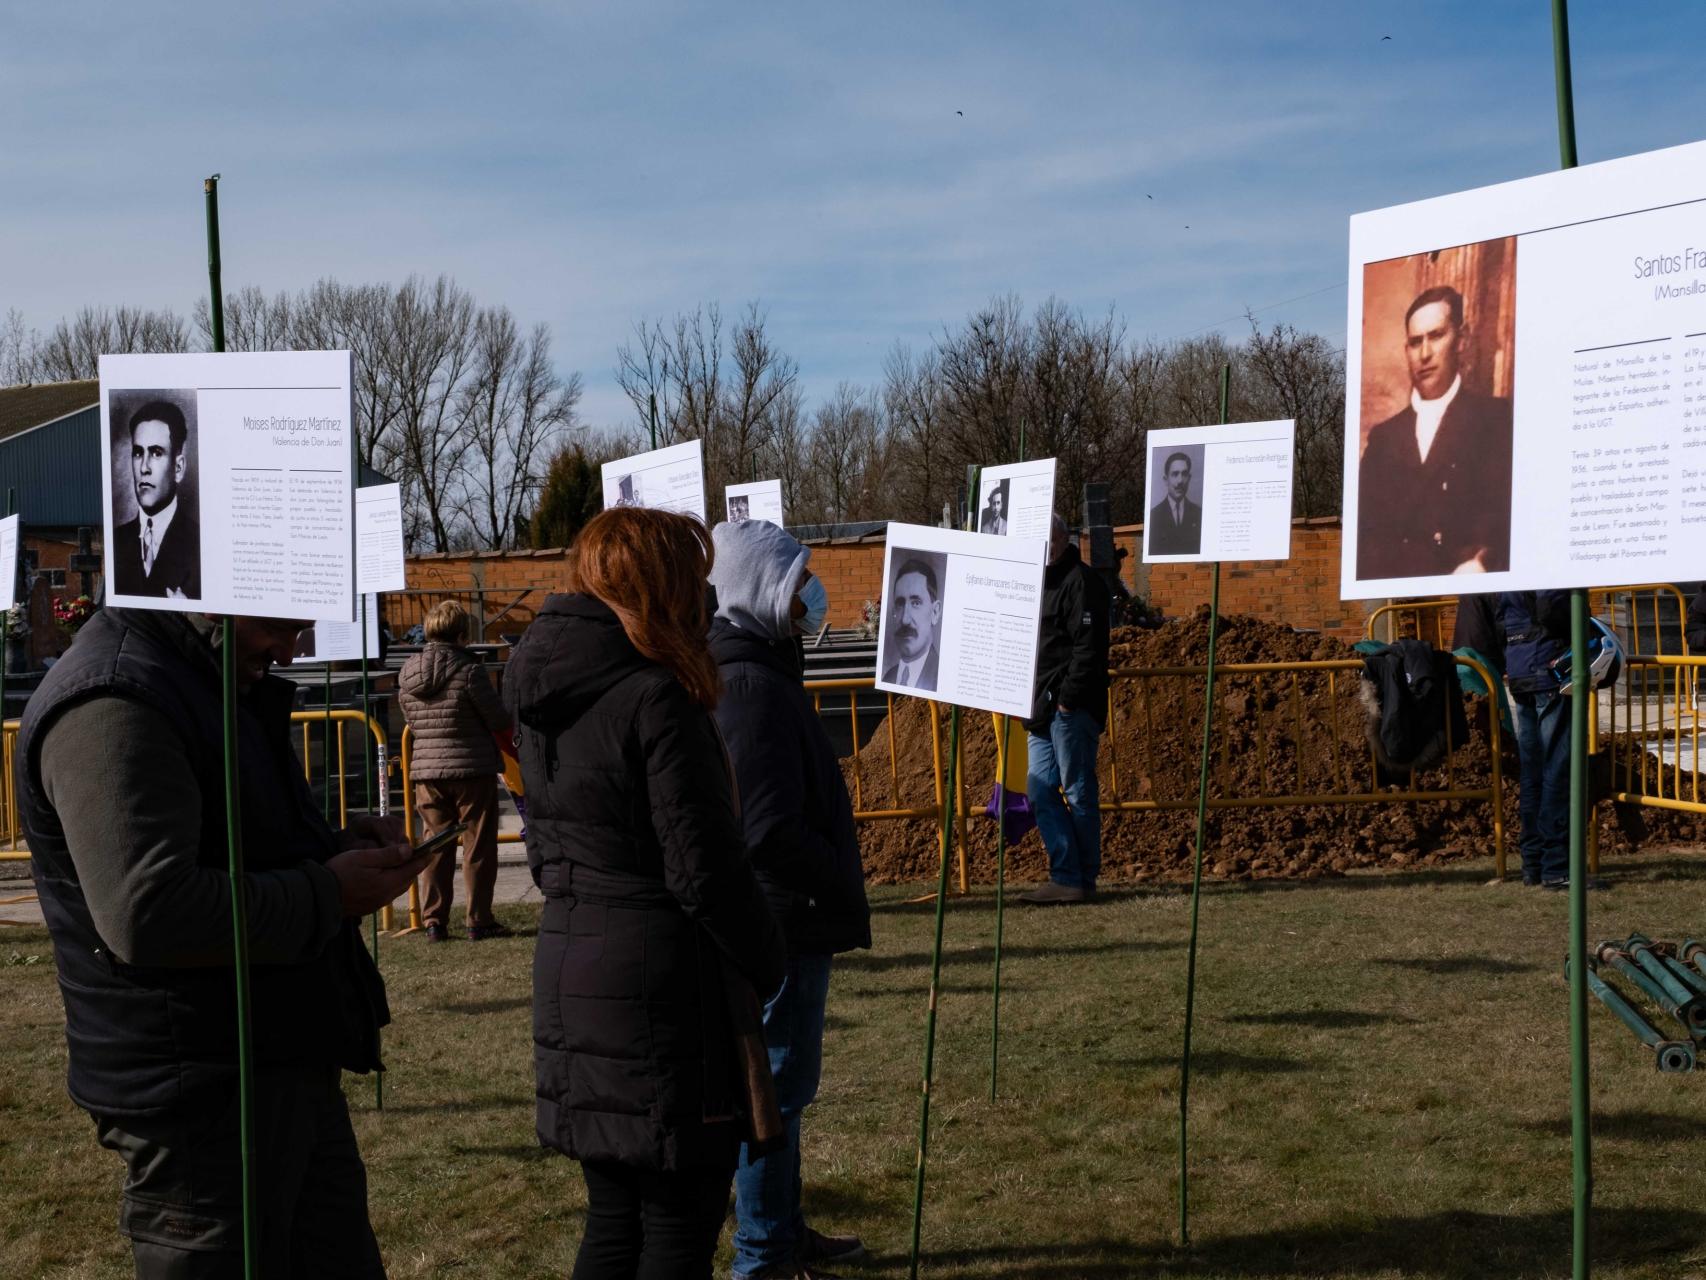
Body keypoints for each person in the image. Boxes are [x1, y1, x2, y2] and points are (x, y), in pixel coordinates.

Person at [17, 605, 428, 1277]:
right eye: (281, 627)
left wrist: (333, 851)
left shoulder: (196, 676)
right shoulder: (117, 696)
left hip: (267, 1059)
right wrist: (327, 892)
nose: (290, 652)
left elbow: (228, 844)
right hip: (202, 1094)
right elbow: (147, 911)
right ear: (216, 595)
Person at [503, 507, 785, 1279]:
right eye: (693, 582)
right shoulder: (655, 697)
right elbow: (705, 870)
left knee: (617, 1216)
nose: (706, 599)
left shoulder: (545, 692)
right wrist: (769, 957)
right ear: (661, 588)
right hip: (658, 992)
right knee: (673, 1224)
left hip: (576, 966)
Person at [707, 519, 872, 1280]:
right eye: (797, 577)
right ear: (761, 591)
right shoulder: (749, 686)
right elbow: (766, 828)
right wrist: (835, 873)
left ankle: (784, 1231)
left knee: (787, 1090)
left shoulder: (759, 671)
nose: (812, 591)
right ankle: (763, 1254)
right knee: (774, 1092)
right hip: (784, 919)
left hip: (789, 916)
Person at [1358, 285, 1513, 579]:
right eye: (1416, 342)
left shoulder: (1493, 419)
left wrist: (1483, 560)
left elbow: (1504, 514)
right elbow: (1367, 532)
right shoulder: (1383, 438)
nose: (1425, 353)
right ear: (1407, 351)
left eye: (1437, 336)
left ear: (1461, 339)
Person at [398, 599, 512, 942]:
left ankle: (434, 921)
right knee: (477, 844)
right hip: (471, 768)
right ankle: (478, 919)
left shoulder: (407, 674)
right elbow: (498, 719)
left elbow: (411, 721)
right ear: (461, 635)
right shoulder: (470, 671)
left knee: (435, 844)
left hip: (427, 771)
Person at [1022, 515, 1110, 904]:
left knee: (1077, 791)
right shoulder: (1035, 580)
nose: (1046, 546)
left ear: (1064, 537)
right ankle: (1067, 874)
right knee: (1039, 789)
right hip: (1039, 707)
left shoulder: (1082, 581)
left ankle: (1080, 878)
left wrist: (1066, 698)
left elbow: (1088, 646)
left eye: (1051, 538)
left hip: (1069, 709)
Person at [1498, 591, 1596, 890]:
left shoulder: (1513, 568)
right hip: (1548, 669)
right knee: (1557, 769)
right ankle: (1557, 867)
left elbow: (1501, 619)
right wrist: (1583, 627)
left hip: (1520, 670)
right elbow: (1551, 606)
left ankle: (1533, 865)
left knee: (1534, 773)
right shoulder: (1549, 564)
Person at [112, 400, 202, 598]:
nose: (144, 467)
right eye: (138, 453)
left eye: (156, 453)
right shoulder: (116, 541)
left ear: (178, 468)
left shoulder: (201, 544)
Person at [882, 557, 941, 690]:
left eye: (916, 603)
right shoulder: (888, 678)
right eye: (900, 604)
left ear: (935, 612)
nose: (905, 620)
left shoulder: (943, 678)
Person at [1148, 451, 1202, 555]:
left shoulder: (1199, 514)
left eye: (1184, 474)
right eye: (1175, 474)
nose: (1180, 481)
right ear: (1165, 480)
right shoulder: (1154, 516)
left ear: (1189, 478)